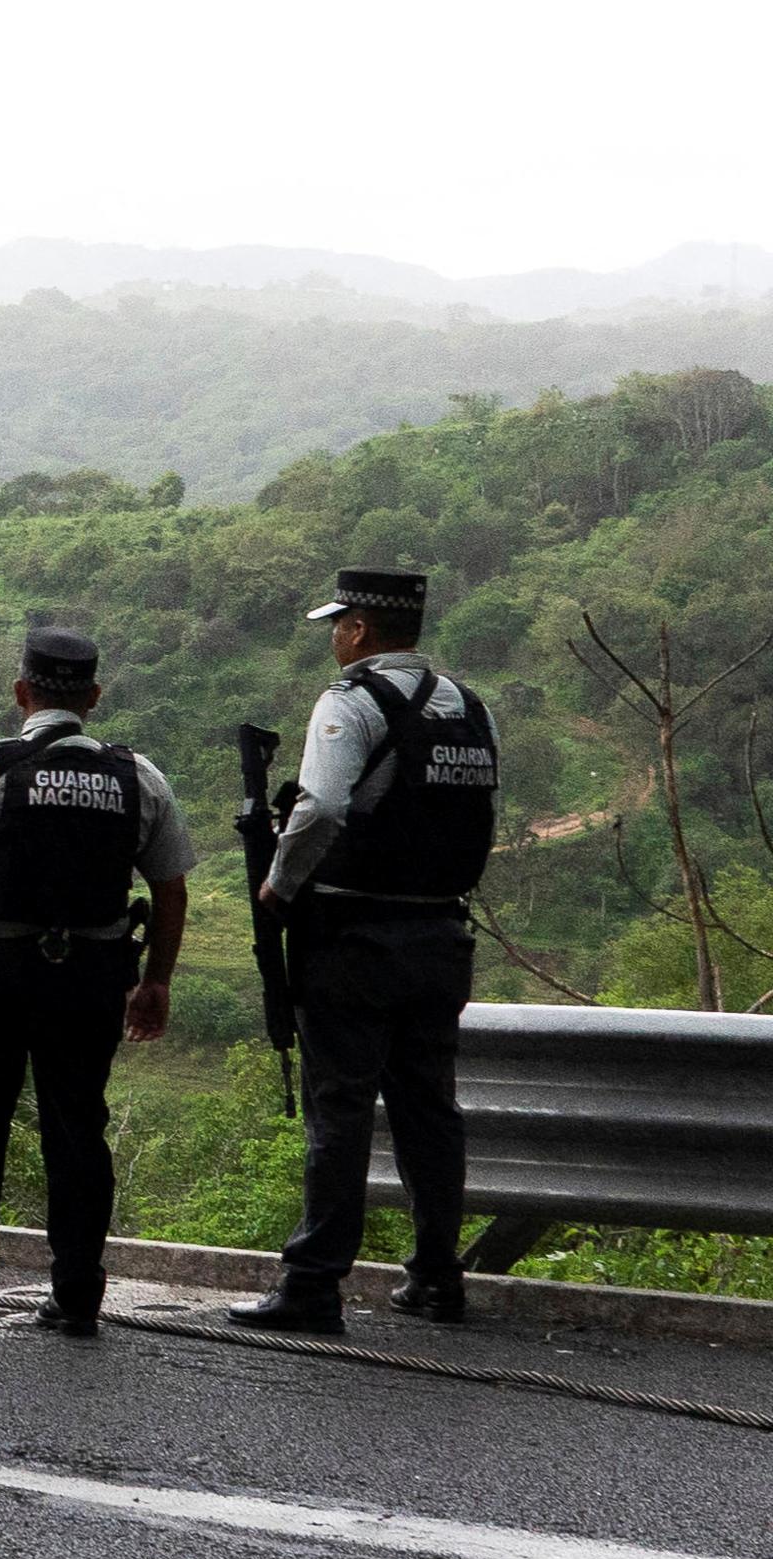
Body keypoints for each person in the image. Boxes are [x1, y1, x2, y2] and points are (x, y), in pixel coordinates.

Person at [0, 627, 192, 1339]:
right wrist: (154, 982)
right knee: (77, 1130)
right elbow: (171, 891)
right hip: (90, 980)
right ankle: (77, 1297)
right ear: (93, 698)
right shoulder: (138, 777)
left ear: (22, 692)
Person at [232, 568, 499, 1332]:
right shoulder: (469, 708)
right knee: (429, 1112)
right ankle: (438, 1277)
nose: (333, 637)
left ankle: (314, 1284)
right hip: (441, 936)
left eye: (338, 623)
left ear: (358, 629)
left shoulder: (351, 703)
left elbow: (319, 806)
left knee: (340, 1109)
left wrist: (278, 888)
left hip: (355, 940)